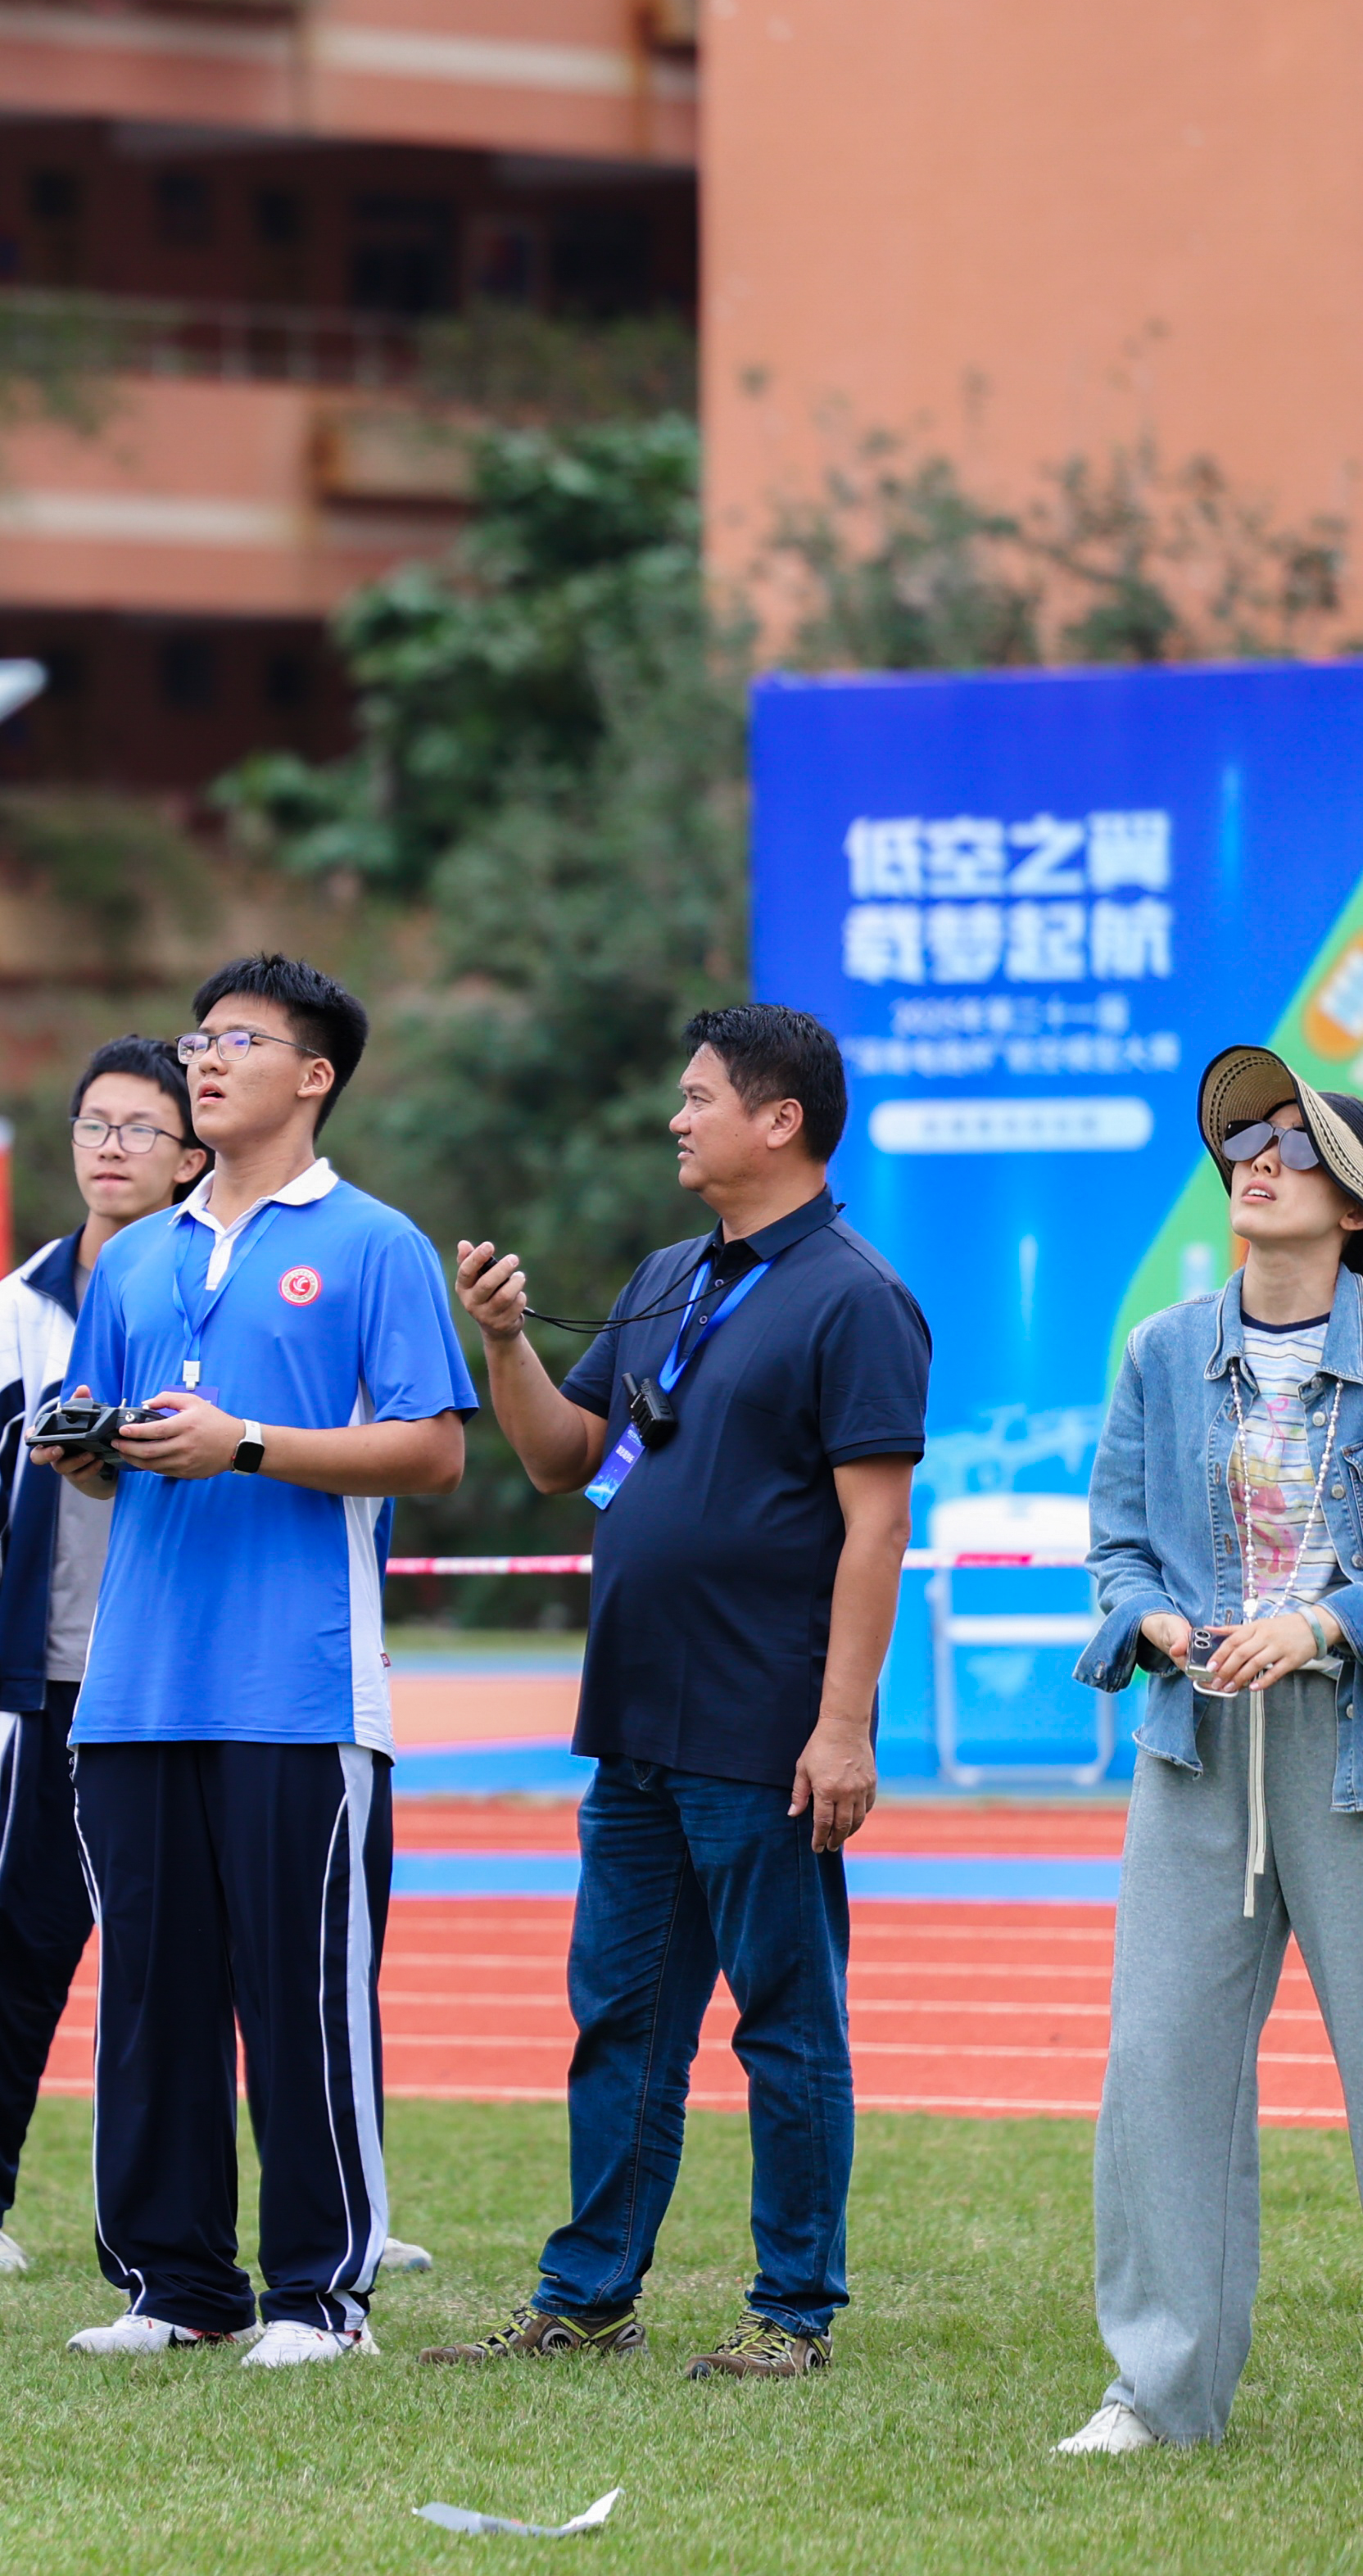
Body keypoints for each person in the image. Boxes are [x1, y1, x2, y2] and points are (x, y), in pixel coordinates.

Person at [429, 1006, 923, 2384]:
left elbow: (874, 1532)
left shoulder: (858, 1299)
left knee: (784, 2017)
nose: (675, 1118)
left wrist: (842, 1724)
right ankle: (587, 2297)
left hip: (765, 1727)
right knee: (623, 2016)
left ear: (781, 1120)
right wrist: (506, 1342)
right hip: (637, 1717)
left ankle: (793, 2312)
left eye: (699, 1097)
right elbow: (559, 1457)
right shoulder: (665, 1277)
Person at [46, 954, 470, 2368]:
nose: (206, 1061)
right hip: (135, 1689)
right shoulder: (141, 1253)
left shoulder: (375, 1245)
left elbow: (432, 1448)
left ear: (316, 1074)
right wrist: (90, 1447)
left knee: (300, 2002)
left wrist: (248, 1442)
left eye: (240, 1039)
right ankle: (176, 2287)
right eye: (198, 1038)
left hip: (301, 1689)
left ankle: (318, 2296)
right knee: (153, 2002)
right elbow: (114, 1465)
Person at [1056, 1049, 1363, 2456]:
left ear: (1352, 1199)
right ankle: (1160, 2396)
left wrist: (1318, 1626)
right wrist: (1161, 1622)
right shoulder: (1164, 1352)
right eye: (1240, 1135)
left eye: (1291, 1139)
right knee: (1161, 2067)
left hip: (1349, 1744)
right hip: (1192, 1748)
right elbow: (1115, 1545)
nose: (1255, 1154)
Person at [0, 1037, 204, 2274]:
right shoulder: (17, 1307)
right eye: (95, 1124)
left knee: (223, 1956)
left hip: (193, 1677)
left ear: (194, 1157)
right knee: (19, 1946)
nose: (114, 1146)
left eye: (142, 1128)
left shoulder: (215, 1290)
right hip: (56, 1680)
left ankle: (324, 2214)